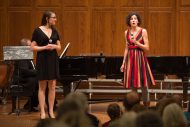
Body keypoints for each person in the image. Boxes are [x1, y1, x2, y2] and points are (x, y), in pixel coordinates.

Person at [120, 12, 155, 106]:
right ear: (129, 21)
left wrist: (136, 42)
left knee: (144, 85)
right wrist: (123, 63)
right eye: (131, 19)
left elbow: (147, 48)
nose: (133, 20)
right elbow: (126, 48)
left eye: (135, 18)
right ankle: (134, 107)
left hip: (140, 60)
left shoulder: (143, 31)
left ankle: (146, 107)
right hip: (130, 60)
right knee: (133, 86)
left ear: (138, 21)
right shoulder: (126, 32)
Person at [31, 11, 61, 119]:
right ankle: (42, 111)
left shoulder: (55, 30)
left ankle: (51, 111)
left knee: (52, 86)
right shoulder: (38, 31)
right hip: (42, 59)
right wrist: (44, 47)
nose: (55, 19)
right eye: (54, 17)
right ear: (47, 18)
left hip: (53, 59)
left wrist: (53, 46)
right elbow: (32, 47)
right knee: (42, 86)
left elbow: (59, 47)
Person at [11, 38, 38, 112]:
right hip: (22, 81)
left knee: (41, 82)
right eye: (30, 45)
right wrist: (38, 72)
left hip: (26, 78)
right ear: (24, 47)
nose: (32, 47)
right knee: (39, 82)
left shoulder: (27, 56)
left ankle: (30, 104)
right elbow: (25, 71)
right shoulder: (22, 57)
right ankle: (31, 104)